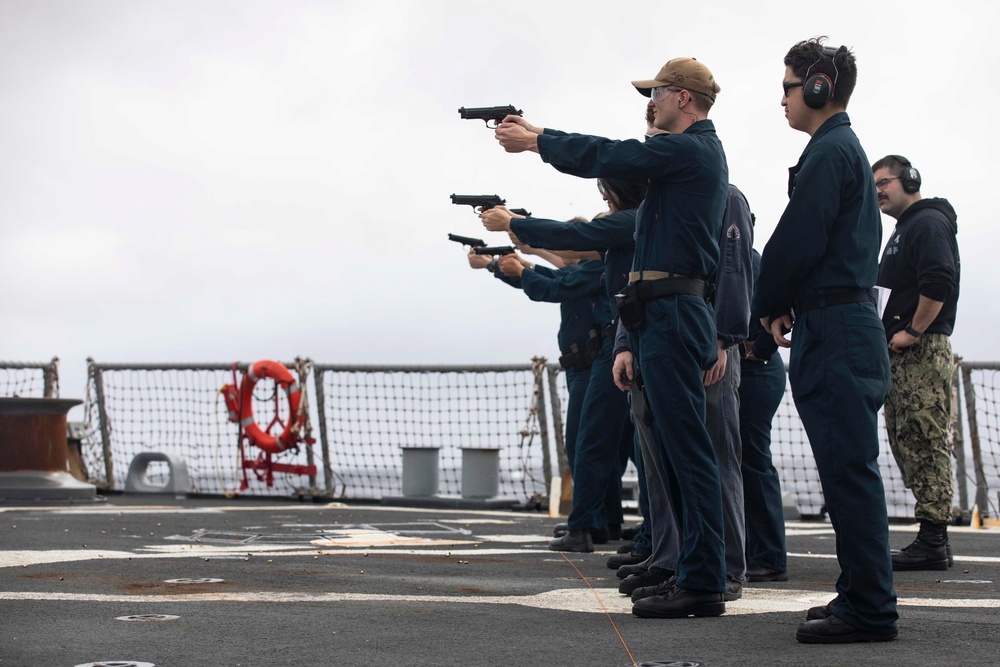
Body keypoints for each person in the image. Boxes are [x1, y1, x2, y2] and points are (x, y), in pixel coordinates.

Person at [494, 56, 729, 619]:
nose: (651, 102)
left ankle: (702, 579)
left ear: (685, 98)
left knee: (688, 451)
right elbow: (605, 213)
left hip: (673, 313)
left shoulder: (691, 149)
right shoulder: (677, 165)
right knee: (674, 451)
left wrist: (538, 140)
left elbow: (613, 154)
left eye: (659, 93)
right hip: (658, 315)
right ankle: (687, 569)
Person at [754, 38, 898, 643]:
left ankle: (868, 609)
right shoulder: (843, 152)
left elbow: (796, 241)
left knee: (848, 473)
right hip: (839, 323)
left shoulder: (829, 151)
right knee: (847, 471)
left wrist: (763, 304)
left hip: (836, 330)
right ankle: (860, 594)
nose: (782, 99)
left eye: (788, 86)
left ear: (817, 87)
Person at [482, 176, 652, 566]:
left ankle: (589, 526)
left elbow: (557, 280)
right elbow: (560, 266)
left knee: (591, 442)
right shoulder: (604, 262)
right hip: (603, 357)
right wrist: (511, 259)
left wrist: (518, 246)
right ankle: (604, 522)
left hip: (605, 357)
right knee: (605, 445)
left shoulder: (600, 265)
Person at [618, 183, 754, 605]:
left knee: (714, 456)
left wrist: (723, 337)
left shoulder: (722, 196)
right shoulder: (657, 202)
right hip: (655, 337)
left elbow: (735, 266)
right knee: (664, 460)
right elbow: (638, 276)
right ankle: (675, 558)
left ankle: (726, 566)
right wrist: (625, 341)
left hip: (701, 340)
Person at [872, 154, 961, 571]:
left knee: (925, 438)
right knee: (907, 437)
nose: (879, 192)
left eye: (885, 182)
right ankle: (930, 537)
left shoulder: (926, 222)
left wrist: (914, 331)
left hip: (920, 352)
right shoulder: (904, 229)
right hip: (902, 356)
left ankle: (934, 540)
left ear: (910, 179)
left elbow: (939, 278)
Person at [741, 248, 788, 583]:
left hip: (757, 370)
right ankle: (753, 550)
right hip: (748, 369)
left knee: (753, 460)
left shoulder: (744, 256)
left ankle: (770, 557)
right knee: (742, 460)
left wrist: (759, 348)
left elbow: (770, 303)